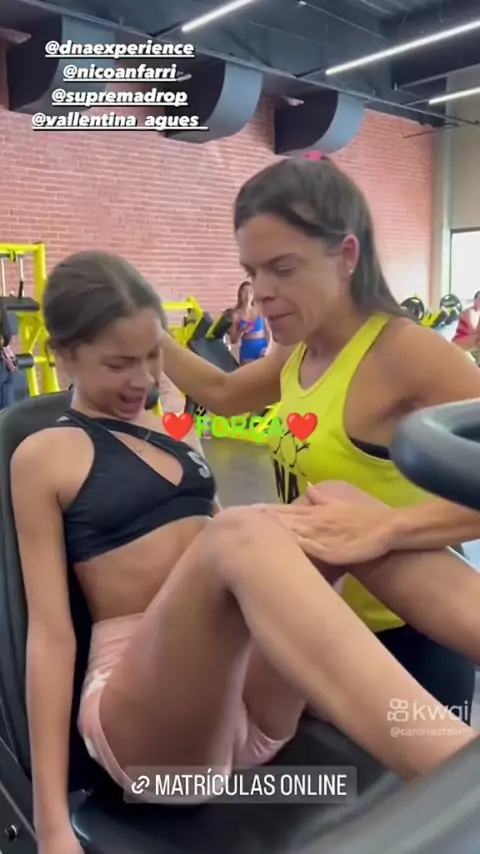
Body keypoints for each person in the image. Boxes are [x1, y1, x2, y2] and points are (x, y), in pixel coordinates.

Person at [12, 251, 480, 854]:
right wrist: (50, 820)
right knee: (238, 534)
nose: (143, 380)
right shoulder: (44, 454)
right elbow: (50, 637)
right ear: (63, 355)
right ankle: (453, 770)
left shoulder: (170, 429)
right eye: (119, 364)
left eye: (153, 356)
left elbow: (228, 564)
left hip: (246, 710)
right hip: (155, 743)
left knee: (333, 505)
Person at [162, 156, 480, 722]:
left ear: (347, 255)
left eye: (283, 269)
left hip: (408, 641)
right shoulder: (297, 351)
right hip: (324, 628)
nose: (261, 292)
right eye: (253, 271)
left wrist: (389, 526)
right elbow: (222, 393)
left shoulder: (405, 352)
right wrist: (147, 333)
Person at [229, 280, 270, 363]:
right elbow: (233, 340)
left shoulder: (259, 309)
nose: (248, 295)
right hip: (248, 349)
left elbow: (268, 330)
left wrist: (269, 347)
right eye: (245, 292)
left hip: (262, 347)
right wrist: (241, 331)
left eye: (250, 292)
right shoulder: (236, 314)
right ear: (240, 294)